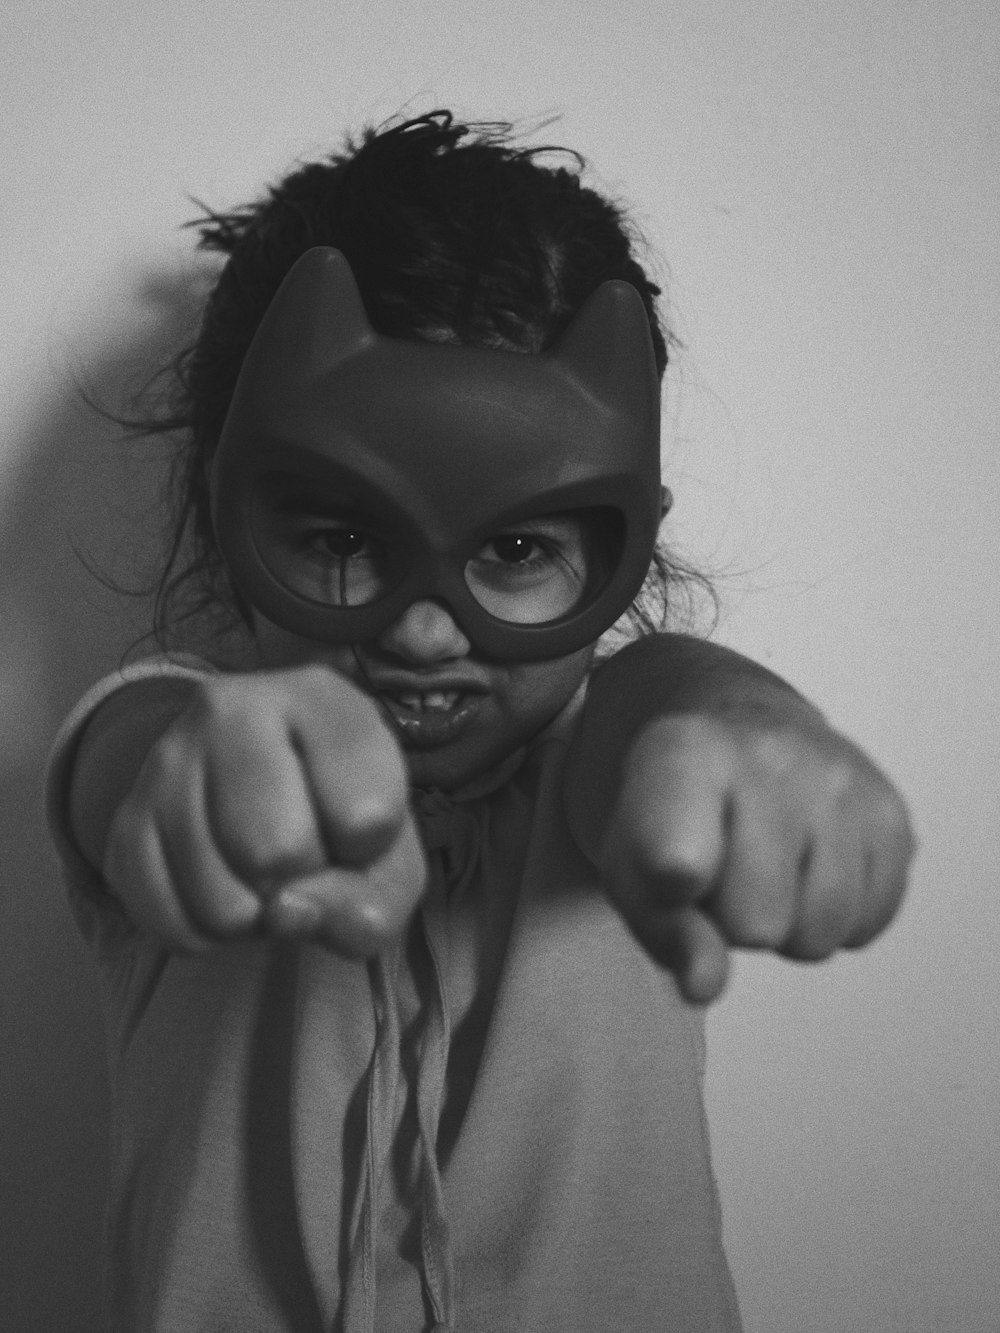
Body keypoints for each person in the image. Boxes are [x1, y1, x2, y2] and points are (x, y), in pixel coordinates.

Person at [46, 111, 913, 1332]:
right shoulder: (173, 731)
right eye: (342, 540)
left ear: (619, 549)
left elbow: (671, 704)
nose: (420, 633)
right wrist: (206, 765)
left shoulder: (622, 751)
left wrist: (748, 727)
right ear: (227, 507)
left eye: (513, 548)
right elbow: (139, 764)